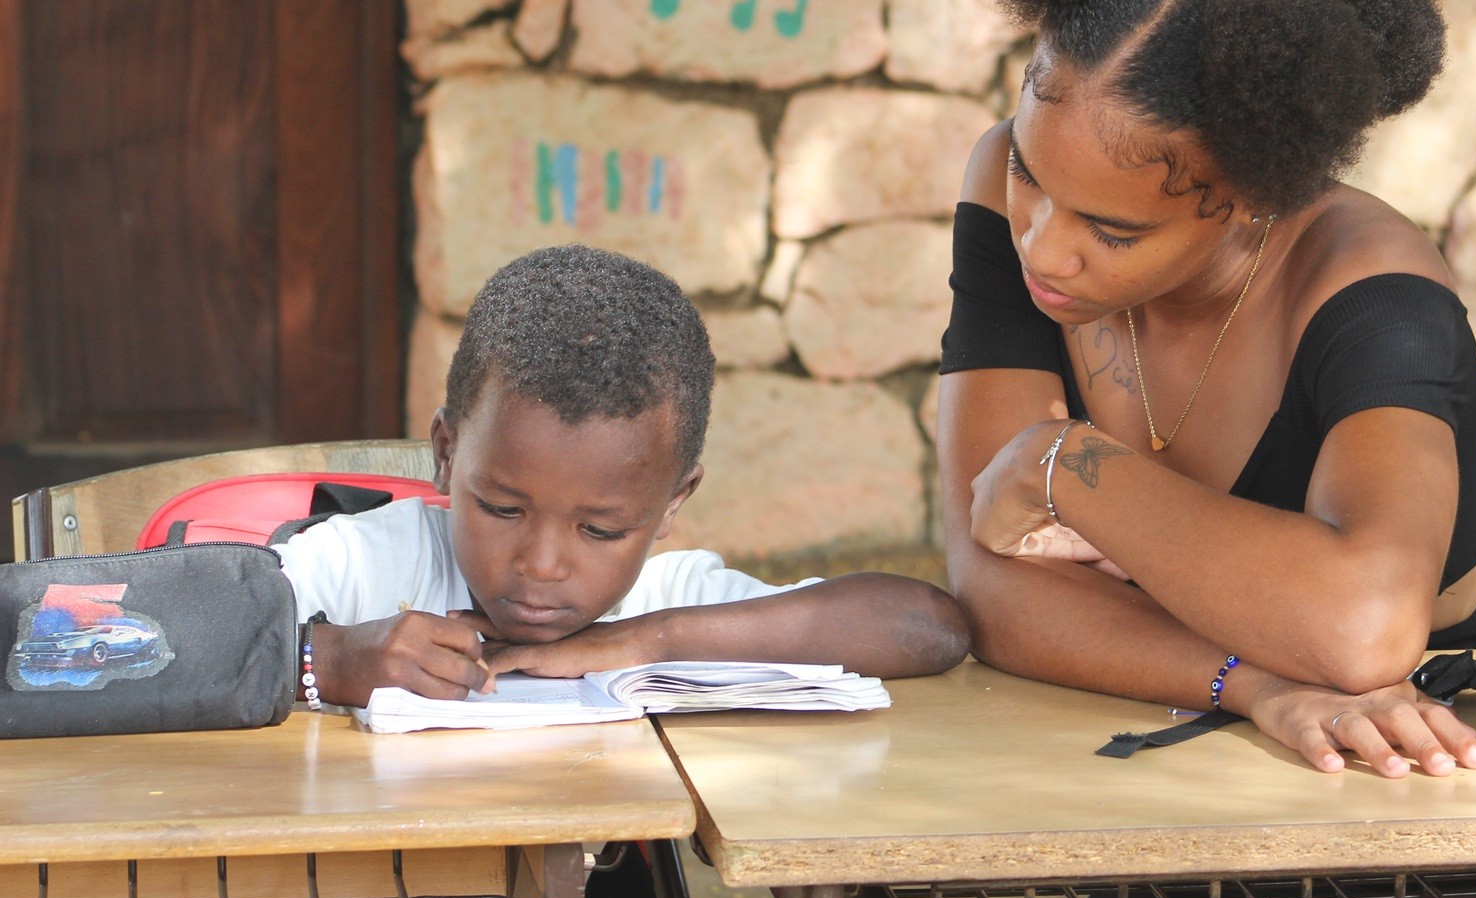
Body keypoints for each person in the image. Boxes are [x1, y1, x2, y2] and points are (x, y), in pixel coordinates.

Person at [939, 0, 1476, 781]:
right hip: (1161, 750)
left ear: (1253, 197)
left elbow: (1363, 630)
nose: (1040, 245)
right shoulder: (1010, 192)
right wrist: (1255, 685)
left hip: (1430, 769)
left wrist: (1062, 462)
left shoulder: (1375, 293)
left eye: (1111, 231)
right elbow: (990, 585)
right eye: (1028, 175)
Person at [279, 244, 970, 708]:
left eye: (601, 530)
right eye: (501, 508)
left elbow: (928, 626)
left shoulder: (665, 600)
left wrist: (640, 641)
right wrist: (326, 658)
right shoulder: (363, 566)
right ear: (446, 453)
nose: (541, 564)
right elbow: (205, 631)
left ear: (672, 503)